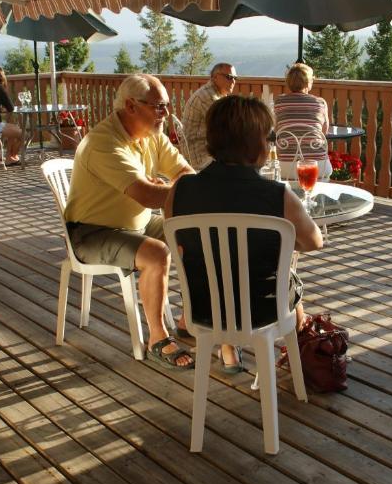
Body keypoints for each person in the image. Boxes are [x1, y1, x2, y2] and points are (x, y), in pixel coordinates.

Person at [165, 95, 323, 371]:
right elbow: (314, 242)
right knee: (289, 278)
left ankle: (229, 350)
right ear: (255, 144)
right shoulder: (277, 195)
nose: (270, 143)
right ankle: (301, 357)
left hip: (203, 308)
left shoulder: (179, 190)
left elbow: (180, 244)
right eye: (268, 137)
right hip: (262, 310)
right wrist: (284, 241)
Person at [64, 74, 197, 369]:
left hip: (138, 223)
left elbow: (184, 173)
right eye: (159, 106)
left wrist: (174, 187)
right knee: (157, 252)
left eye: (166, 106)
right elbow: (146, 195)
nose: (166, 113)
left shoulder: (152, 135)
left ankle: (189, 319)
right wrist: (170, 189)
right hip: (93, 232)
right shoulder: (103, 142)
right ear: (130, 105)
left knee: (195, 233)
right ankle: (157, 338)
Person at [274, 63, 332, 180]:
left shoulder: (279, 102)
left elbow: (277, 130)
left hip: (286, 165)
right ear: (308, 82)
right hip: (317, 165)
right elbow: (324, 132)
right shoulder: (320, 102)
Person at [180, 63, 237, 170]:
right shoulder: (208, 97)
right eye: (229, 77)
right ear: (215, 77)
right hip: (199, 153)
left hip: (204, 148)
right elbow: (227, 128)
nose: (233, 81)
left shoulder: (215, 94)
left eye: (235, 78)